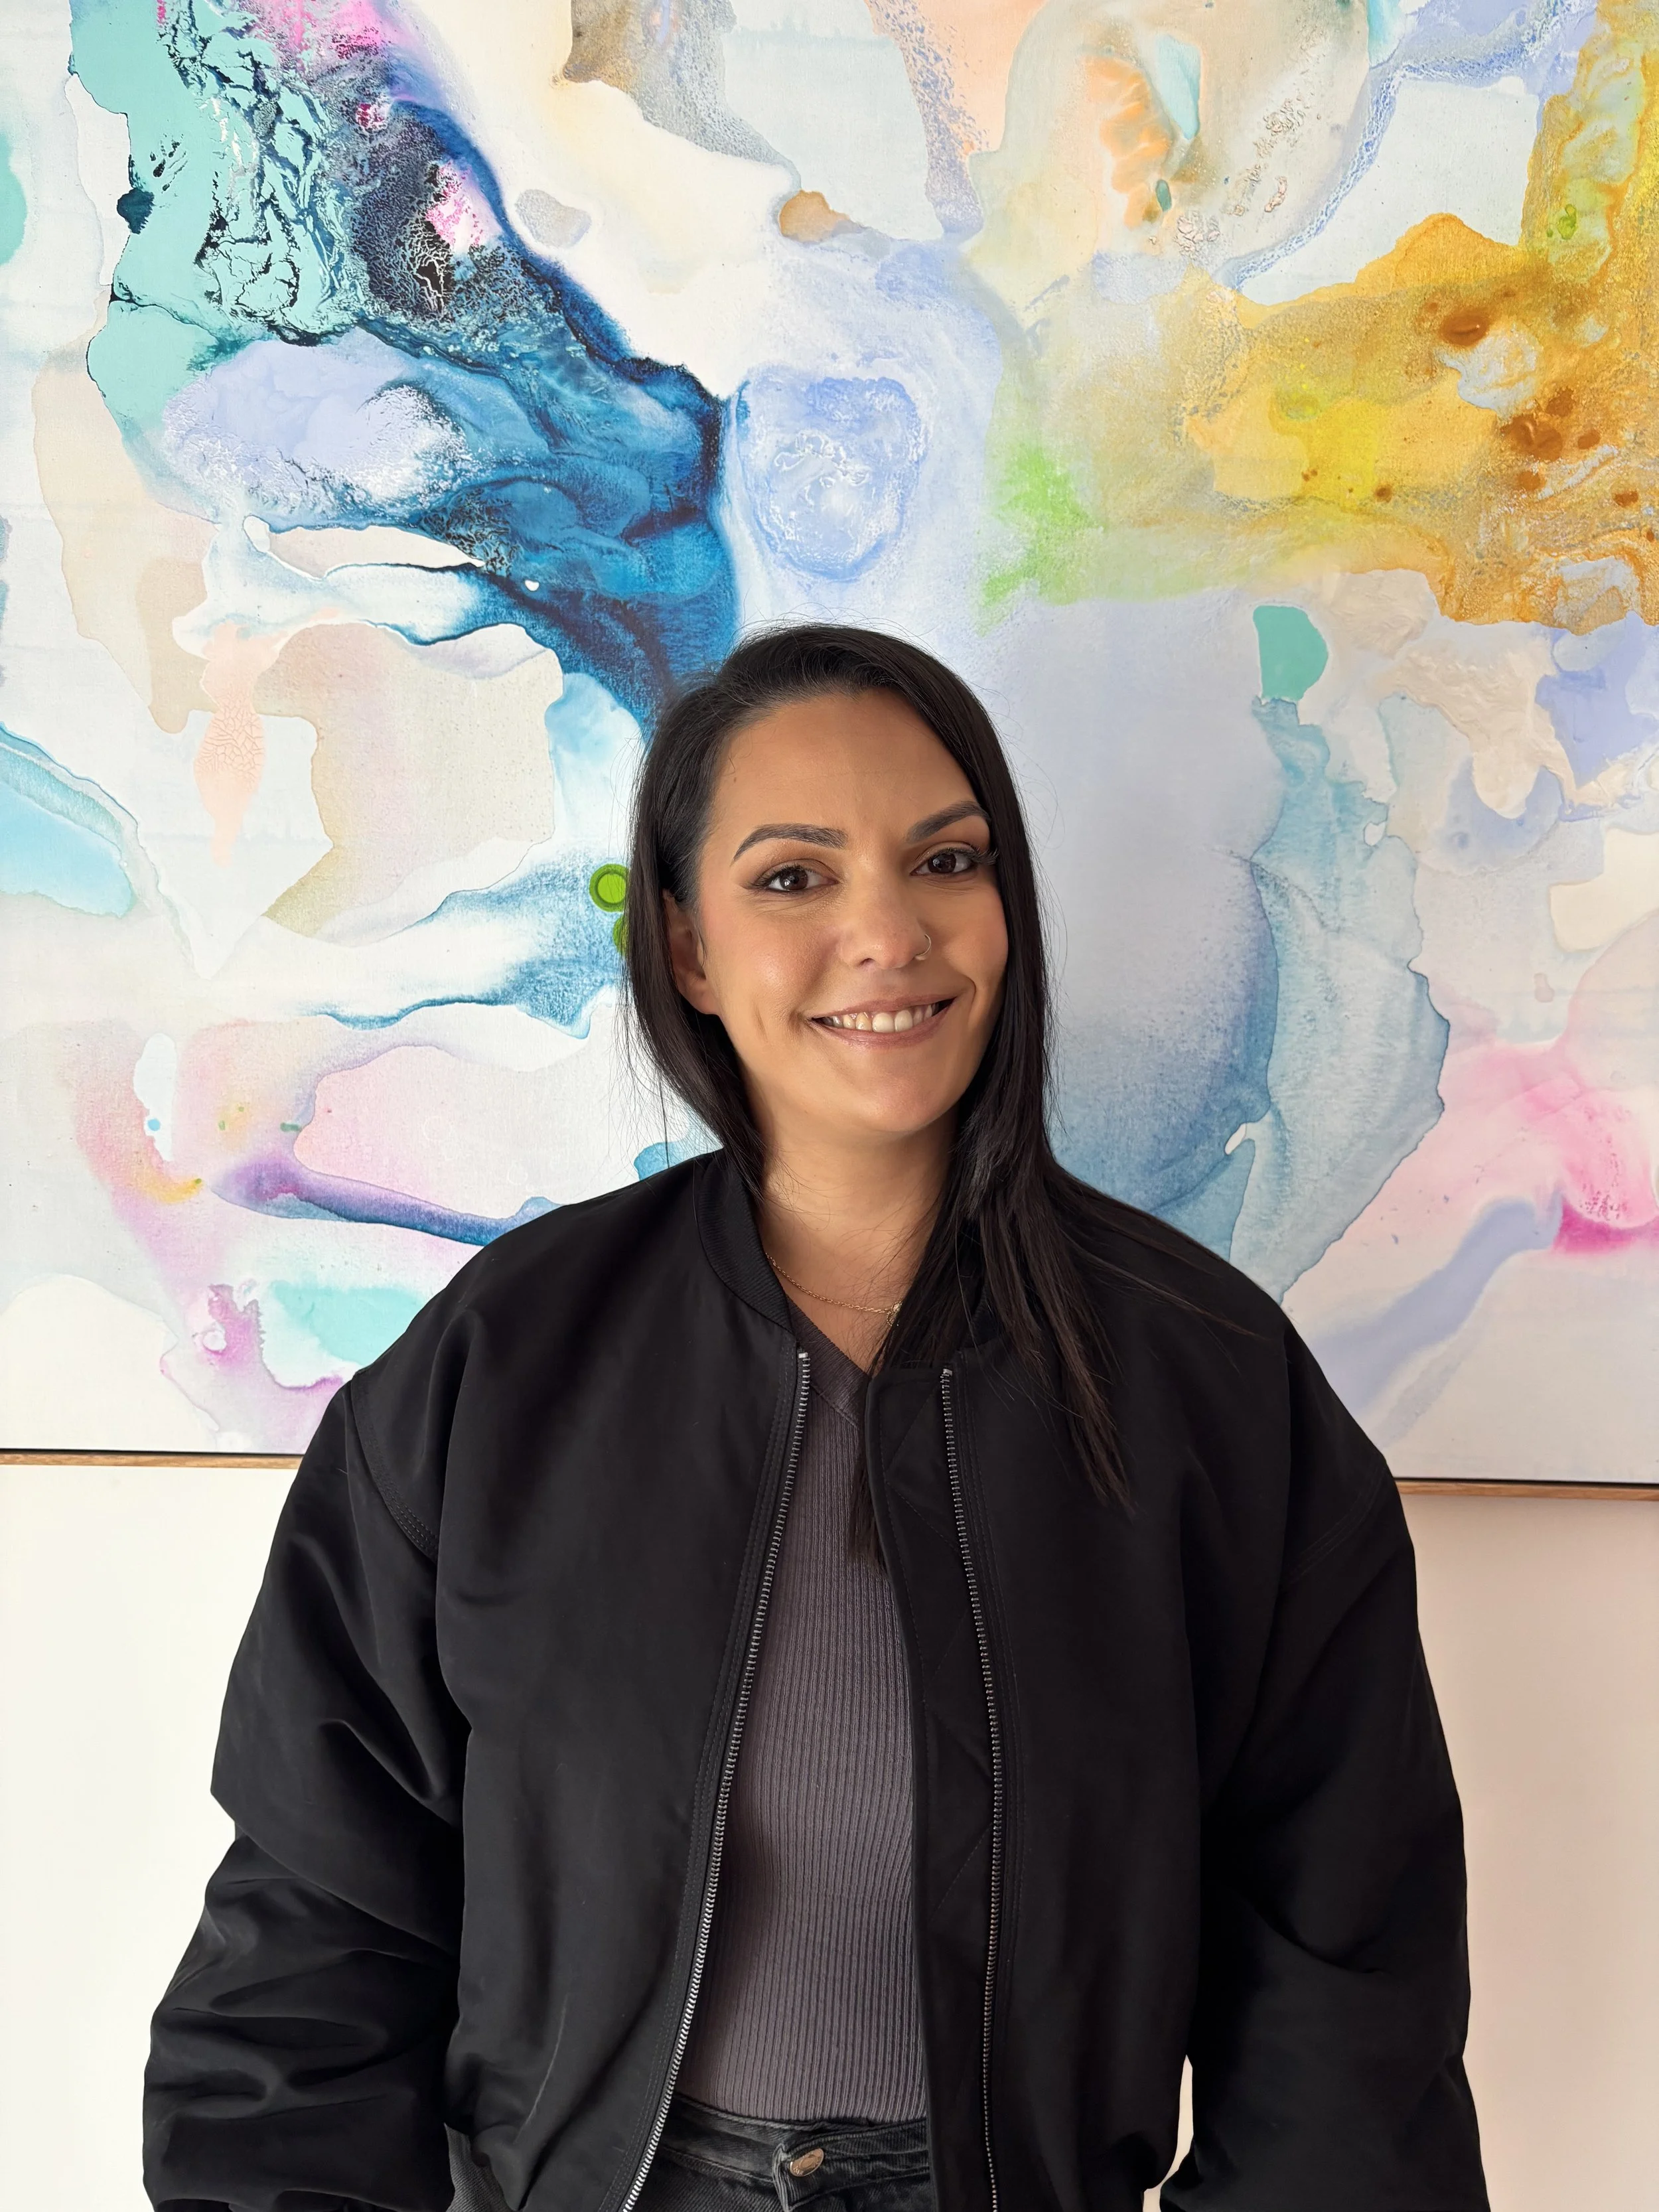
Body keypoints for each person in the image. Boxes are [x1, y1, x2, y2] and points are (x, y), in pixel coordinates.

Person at [144, 625, 1488, 2212]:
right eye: (793, 877)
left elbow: (1345, 1965)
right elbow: (317, 1923)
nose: (887, 931)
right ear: (691, 947)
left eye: (946, 859)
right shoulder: (501, 1364)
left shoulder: (1208, 1382)